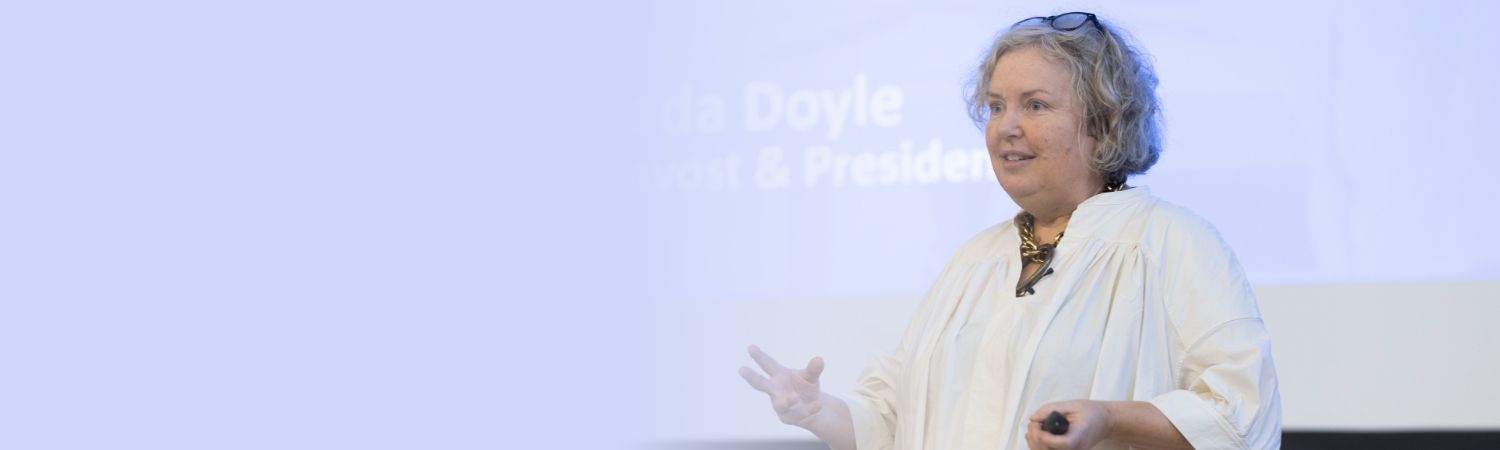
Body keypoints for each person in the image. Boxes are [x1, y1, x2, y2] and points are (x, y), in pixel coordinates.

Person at [738, 11, 1282, 450]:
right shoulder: (975, 260)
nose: (1007, 127)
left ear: (1104, 122)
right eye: (996, 106)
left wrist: (1109, 419)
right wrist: (818, 410)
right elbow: (890, 416)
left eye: (1035, 105)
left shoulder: (1171, 242)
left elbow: (1241, 416)